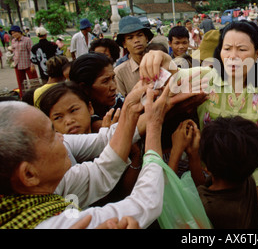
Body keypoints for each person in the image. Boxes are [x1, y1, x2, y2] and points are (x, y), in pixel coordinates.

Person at [139, 20, 258, 229]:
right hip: (210, 180)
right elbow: (171, 75)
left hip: (256, 182)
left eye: (242, 49)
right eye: (227, 48)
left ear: (257, 53)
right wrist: (160, 57)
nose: (233, 56)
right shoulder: (205, 78)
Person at [0, 81, 192, 229]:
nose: (62, 138)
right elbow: (144, 204)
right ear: (29, 174)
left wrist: (130, 112)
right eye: (52, 135)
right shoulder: (61, 224)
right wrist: (154, 125)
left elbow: (102, 169)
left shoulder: (39, 190)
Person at [170, 116, 258, 229]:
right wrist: (194, 155)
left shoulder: (208, 207)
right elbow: (204, 190)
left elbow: (167, 203)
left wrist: (175, 151)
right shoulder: (246, 181)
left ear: (207, 166)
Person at [69, 52, 124, 132]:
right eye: (105, 81)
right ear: (84, 88)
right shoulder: (83, 119)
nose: (114, 87)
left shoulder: (117, 101)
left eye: (113, 78)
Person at [114, 16, 154, 97]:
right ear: (124, 44)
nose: (136, 40)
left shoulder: (159, 63)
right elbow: (121, 104)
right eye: (130, 38)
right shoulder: (119, 73)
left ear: (146, 38)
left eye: (139, 35)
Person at [10, 25, 38, 98]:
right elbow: (14, 51)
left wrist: (32, 64)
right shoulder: (13, 41)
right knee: (21, 83)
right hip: (17, 64)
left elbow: (31, 52)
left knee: (34, 81)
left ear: (19, 32)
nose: (13, 35)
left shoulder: (27, 40)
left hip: (27, 63)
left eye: (14, 33)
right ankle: (23, 97)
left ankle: (36, 94)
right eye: (12, 33)